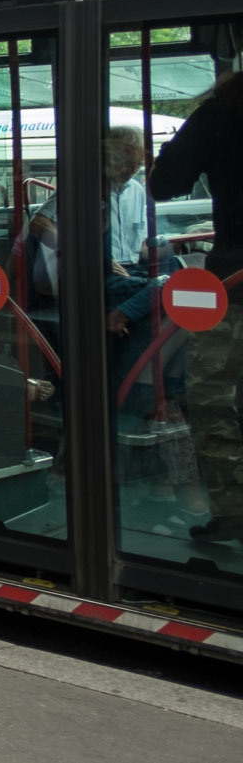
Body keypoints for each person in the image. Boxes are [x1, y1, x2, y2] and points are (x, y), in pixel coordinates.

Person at [152, 72, 243, 543]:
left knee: (214, 397)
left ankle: (232, 508)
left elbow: (164, 182)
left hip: (234, 281)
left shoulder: (222, 112)